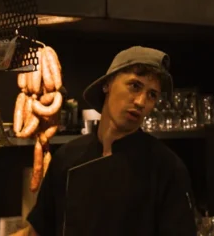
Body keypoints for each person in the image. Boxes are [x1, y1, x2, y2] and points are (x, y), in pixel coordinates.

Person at [25, 46, 196, 236]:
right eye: (135, 86)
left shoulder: (167, 168)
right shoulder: (67, 157)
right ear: (107, 84)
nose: (141, 102)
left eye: (152, 94)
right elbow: (38, 231)